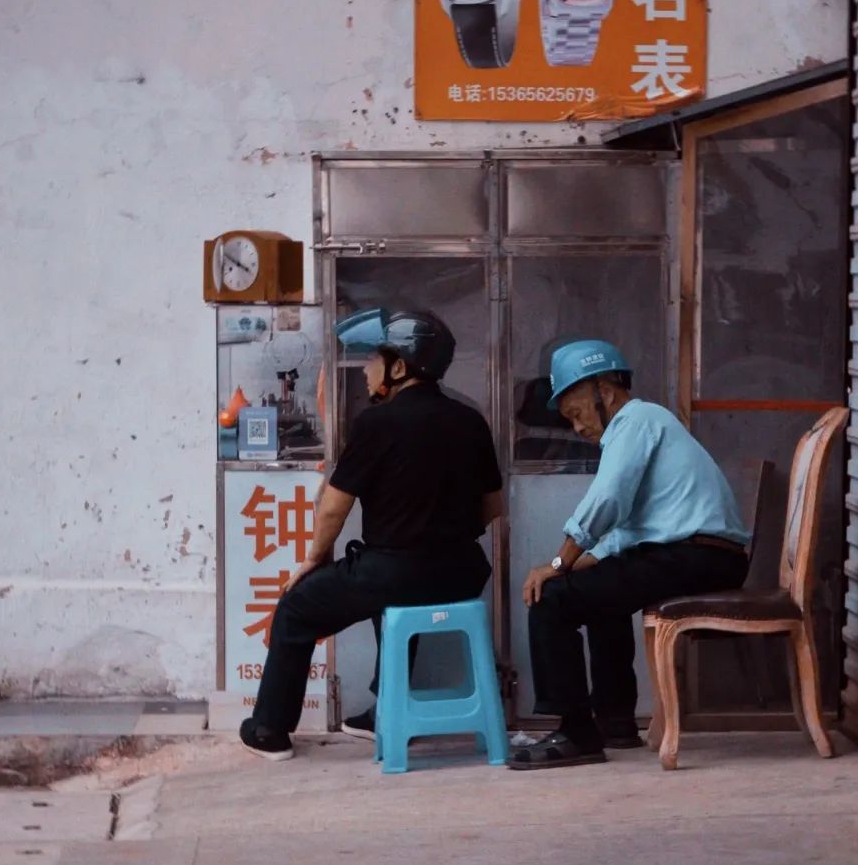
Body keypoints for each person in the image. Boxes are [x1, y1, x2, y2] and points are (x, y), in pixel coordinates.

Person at [239, 307, 502, 762]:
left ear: (399, 367)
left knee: (297, 608)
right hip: (462, 572)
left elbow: (333, 507)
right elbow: (494, 508)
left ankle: (269, 731)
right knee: (399, 597)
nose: (365, 369)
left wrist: (313, 560)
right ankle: (388, 710)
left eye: (374, 360)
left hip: (393, 571)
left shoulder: (376, 424)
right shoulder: (471, 420)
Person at [509, 338, 749, 771]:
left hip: (697, 556)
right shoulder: (644, 425)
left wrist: (558, 565)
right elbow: (620, 538)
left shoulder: (636, 420)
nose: (577, 428)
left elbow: (608, 499)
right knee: (597, 595)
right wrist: (566, 569)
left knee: (552, 602)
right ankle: (615, 721)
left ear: (604, 390)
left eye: (577, 413)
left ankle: (576, 733)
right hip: (702, 557)